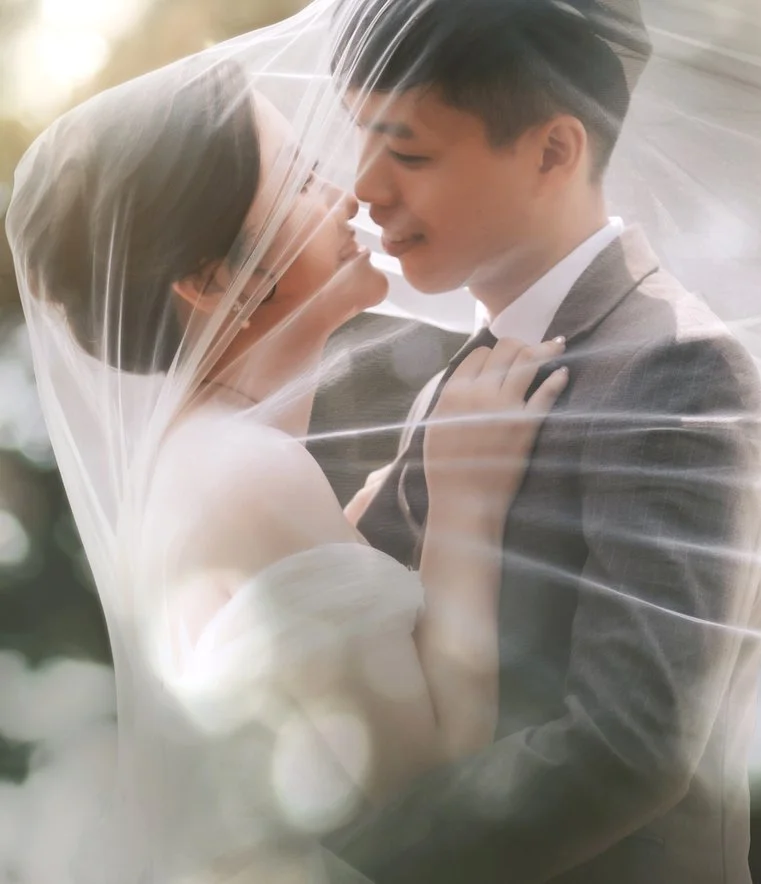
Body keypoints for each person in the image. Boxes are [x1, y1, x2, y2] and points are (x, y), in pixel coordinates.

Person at [5, 56, 567, 881]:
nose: (349, 196)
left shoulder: (200, 462)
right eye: (303, 182)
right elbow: (433, 790)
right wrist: (468, 499)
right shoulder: (244, 473)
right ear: (208, 278)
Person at [319, 0, 761, 881]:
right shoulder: (456, 375)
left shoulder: (675, 371)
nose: (367, 187)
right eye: (359, 138)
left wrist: (353, 865)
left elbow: (630, 744)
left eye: (408, 150)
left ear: (553, 151)